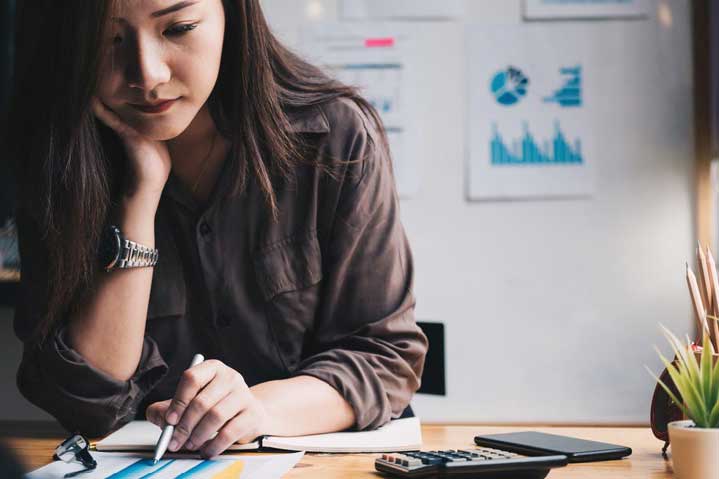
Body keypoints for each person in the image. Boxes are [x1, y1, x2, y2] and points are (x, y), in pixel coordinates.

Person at [7, 0, 427, 459]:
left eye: (178, 28)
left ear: (234, 15)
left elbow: (385, 357)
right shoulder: (57, 159)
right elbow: (85, 401)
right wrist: (140, 196)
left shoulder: (334, 136)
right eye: (109, 40)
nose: (147, 75)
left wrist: (255, 410)